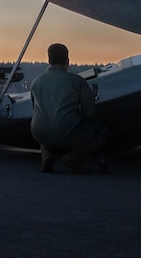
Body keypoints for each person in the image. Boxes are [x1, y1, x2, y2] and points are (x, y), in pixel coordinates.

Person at [30, 43, 107, 173]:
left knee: (44, 124)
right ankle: (74, 157)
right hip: (67, 133)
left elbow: (35, 109)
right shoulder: (77, 81)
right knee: (102, 132)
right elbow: (90, 112)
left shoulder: (36, 82)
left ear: (49, 60)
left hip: (39, 133)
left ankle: (46, 154)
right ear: (68, 61)